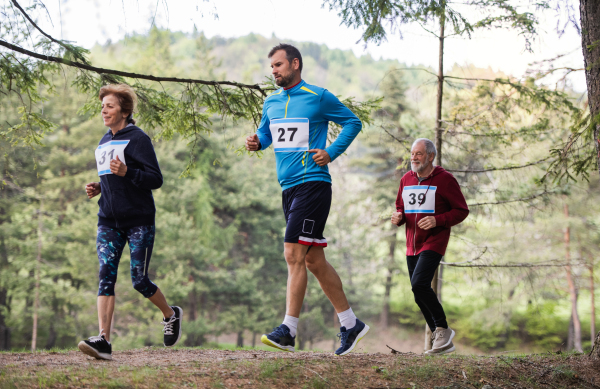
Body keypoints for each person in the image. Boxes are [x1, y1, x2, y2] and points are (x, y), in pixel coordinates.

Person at [245, 43, 369, 356]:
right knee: (312, 260)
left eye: (278, 65)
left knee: (292, 252)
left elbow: (353, 122)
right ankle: (350, 323)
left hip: (313, 184)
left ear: (295, 64)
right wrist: (256, 141)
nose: (273, 71)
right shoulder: (271, 102)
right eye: (271, 66)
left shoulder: (318, 96)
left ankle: (288, 329)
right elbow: (266, 134)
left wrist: (331, 152)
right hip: (288, 188)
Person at [78, 84, 182, 360]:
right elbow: (110, 177)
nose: (104, 110)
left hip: (139, 220)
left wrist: (128, 171)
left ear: (124, 111)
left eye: (109, 106)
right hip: (108, 221)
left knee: (139, 280)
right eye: (102, 106)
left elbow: (155, 179)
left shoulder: (138, 139)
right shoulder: (103, 141)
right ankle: (104, 340)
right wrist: (99, 187)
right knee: (105, 277)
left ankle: (170, 314)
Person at [391, 138, 469, 355]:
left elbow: (461, 210)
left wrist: (438, 220)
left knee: (419, 284)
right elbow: (400, 206)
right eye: (412, 153)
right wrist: (399, 217)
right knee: (418, 292)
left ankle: (443, 328)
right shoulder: (406, 179)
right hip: (411, 243)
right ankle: (441, 338)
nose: (413, 157)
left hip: (434, 240)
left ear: (431, 156)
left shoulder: (445, 180)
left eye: (419, 154)